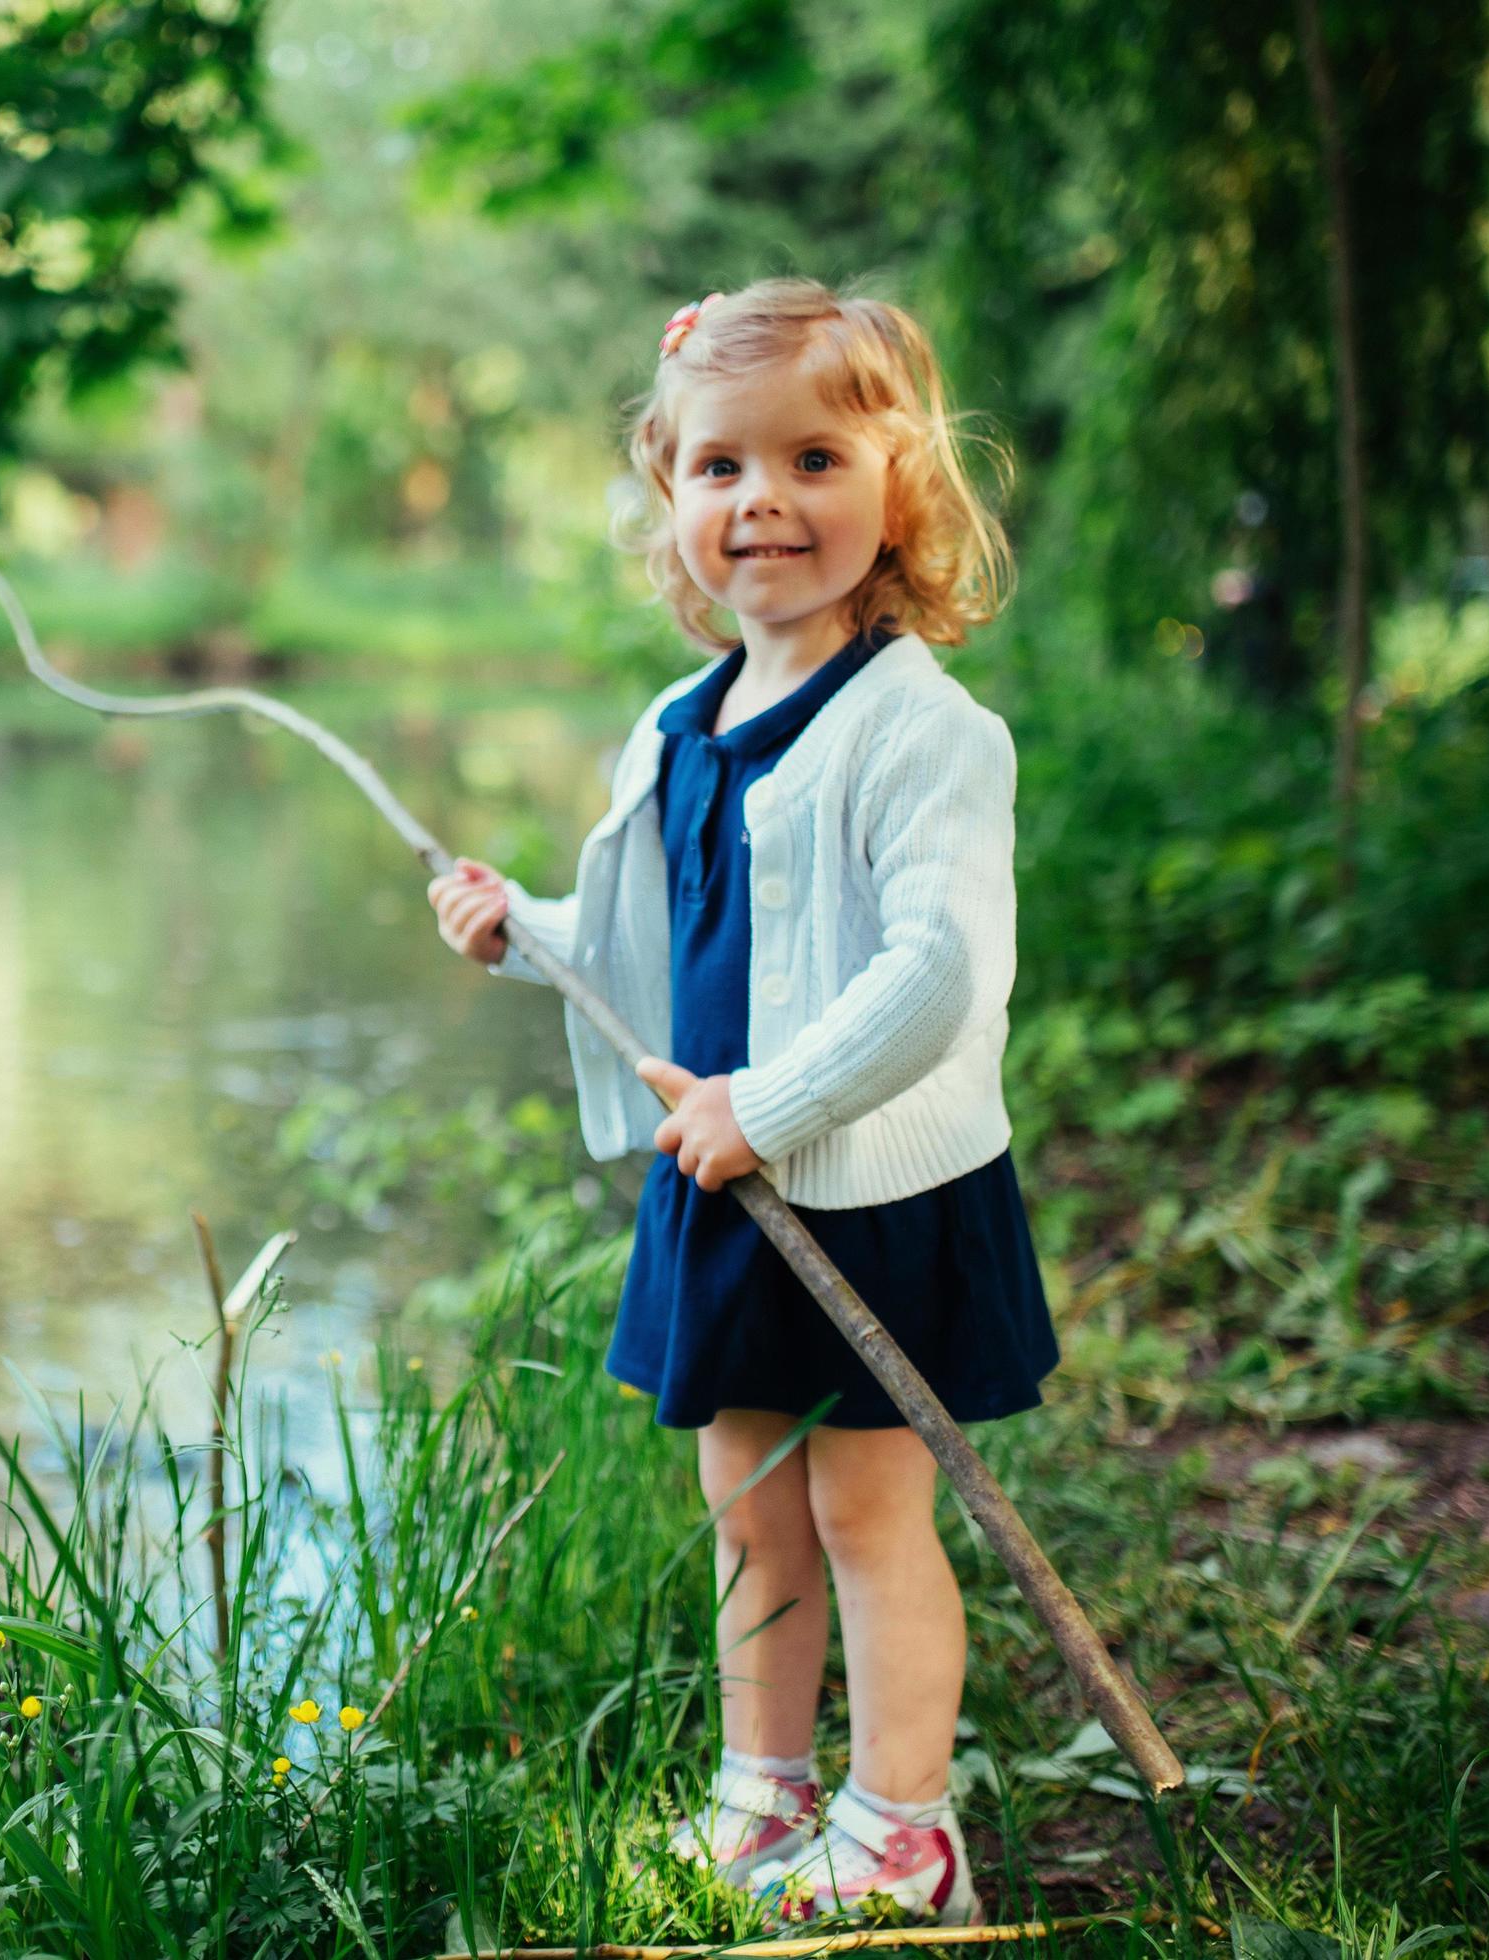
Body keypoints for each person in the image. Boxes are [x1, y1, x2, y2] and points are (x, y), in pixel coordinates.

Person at [424, 278, 1058, 1930]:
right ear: (670, 495)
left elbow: (934, 978)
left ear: (898, 485)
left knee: (863, 1512)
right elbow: (648, 945)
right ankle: (763, 1794)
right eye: (720, 468)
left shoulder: (920, 730)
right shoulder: (677, 724)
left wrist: (771, 1103)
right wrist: (527, 938)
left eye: (814, 459)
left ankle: (903, 1822)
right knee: (746, 1508)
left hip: (863, 1186)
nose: (762, 499)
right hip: (721, 1184)